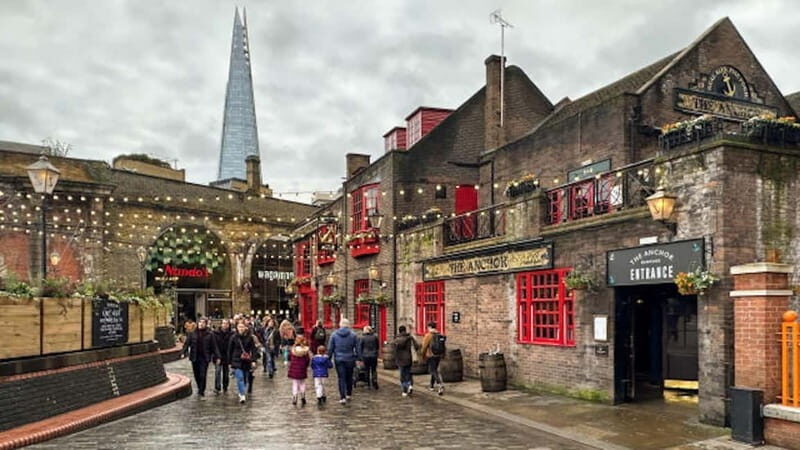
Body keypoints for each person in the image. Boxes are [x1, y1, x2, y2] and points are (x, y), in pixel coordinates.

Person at [180, 317, 218, 397]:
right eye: (200, 322)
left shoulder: (210, 334)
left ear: (206, 324)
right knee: (196, 374)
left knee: (203, 374)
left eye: (203, 322)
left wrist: (217, 356)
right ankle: (199, 386)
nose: (201, 324)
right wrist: (183, 352)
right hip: (195, 356)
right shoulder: (193, 333)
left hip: (204, 357)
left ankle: (201, 390)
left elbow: (214, 346)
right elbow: (187, 344)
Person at [327, 318, 360, 404]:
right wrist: (358, 358)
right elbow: (357, 348)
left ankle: (342, 397)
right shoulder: (353, 335)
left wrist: (328, 358)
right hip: (350, 358)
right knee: (349, 377)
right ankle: (349, 393)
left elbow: (330, 348)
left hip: (339, 359)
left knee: (341, 378)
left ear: (340, 325)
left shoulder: (334, 335)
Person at [228, 320, 259, 404]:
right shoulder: (233, 337)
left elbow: (253, 349)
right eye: (239, 327)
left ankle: (241, 390)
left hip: (246, 360)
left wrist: (253, 360)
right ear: (236, 328)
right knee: (240, 377)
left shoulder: (250, 337)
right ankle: (242, 395)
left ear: (245, 327)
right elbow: (230, 350)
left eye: (242, 327)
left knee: (245, 378)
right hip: (236, 360)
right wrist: (230, 362)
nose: (241, 328)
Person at [392, 325, 420, 397]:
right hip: (408, 358)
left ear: (399, 331)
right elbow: (417, 347)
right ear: (405, 330)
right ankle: (410, 385)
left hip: (400, 359)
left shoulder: (396, 340)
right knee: (409, 373)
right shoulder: (410, 338)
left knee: (402, 375)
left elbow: (394, 351)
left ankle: (404, 390)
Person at [419, 321, 445, 395]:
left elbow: (424, 347)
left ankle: (440, 384)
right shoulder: (439, 334)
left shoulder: (428, 335)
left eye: (428, 327)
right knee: (434, 370)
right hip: (438, 355)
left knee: (432, 370)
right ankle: (431, 386)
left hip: (431, 355)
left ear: (429, 327)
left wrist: (422, 355)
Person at [212, 319, 234, 394]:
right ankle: (217, 387)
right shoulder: (215, 333)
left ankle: (225, 386)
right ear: (221, 324)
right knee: (217, 371)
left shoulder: (231, 334)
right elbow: (214, 346)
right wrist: (217, 356)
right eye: (223, 323)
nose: (225, 325)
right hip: (218, 355)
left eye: (226, 323)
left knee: (226, 372)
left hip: (227, 356)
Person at [287, 336, 311, 406]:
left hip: (294, 369)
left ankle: (295, 397)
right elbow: (307, 360)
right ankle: (303, 396)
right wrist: (306, 366)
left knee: (295, 383)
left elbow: (289, 358)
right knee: (302, 383)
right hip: (302, 368)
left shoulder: (293, 350)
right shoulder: (305, 350)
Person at [358, 325, 380, 390]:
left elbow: (360, 347)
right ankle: (374, 380)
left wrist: (360, 357)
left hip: (365, 356)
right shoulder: (375, 337)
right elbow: (377, 346)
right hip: (373, 355)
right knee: (374, 369)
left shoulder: (362, 338)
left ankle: (368, 383)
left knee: (367, 370)